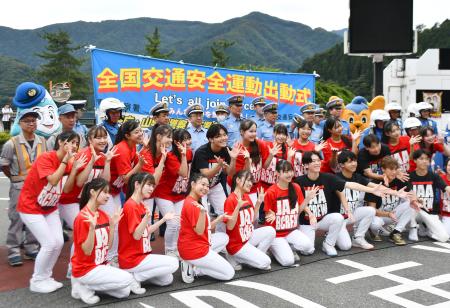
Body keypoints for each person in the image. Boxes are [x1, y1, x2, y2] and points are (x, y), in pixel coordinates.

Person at [17, 131, 79, 293]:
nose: (74, 146)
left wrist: (73, 168)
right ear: (61, 142)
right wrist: (66, 162)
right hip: (30, 207)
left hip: (50, 207)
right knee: (49, 243)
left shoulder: (70, 162)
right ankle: (37, 280)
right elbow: (52, 179)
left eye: (76, 143)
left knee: (58, 242)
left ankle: (46, 276)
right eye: (71, 142)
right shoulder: (46, 158)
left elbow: (66, 188)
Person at [295, 151, 389, 256]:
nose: (317, 163)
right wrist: (309, 211)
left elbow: (350, 184)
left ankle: (328, 244)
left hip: (324, 219)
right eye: (313, 161)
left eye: (318, 160)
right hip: (308, 222)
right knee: (307, 251)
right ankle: (296, 241)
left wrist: (371, 190)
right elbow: (299, 203)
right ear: (306, 165)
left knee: (339, 223)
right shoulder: (299, 181)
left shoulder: (328, 178)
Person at [71, 178, 135, 305]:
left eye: (109, 192)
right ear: (93, 192)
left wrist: (112, 226)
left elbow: (108, 247)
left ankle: (89, 286)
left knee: (124, 292)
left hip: (100, 266)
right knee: (128, 278)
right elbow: (87, 251)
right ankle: (82, 284)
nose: (108, 195)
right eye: (105, 192)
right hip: (86, 269)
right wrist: (91, 229)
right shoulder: (82, 217)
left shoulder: (103, 215)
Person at [118, 173, 179, 293]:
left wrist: (164, 219)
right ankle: (133, 277)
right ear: (137, 185)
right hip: (132, 258)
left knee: (167, 279)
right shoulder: (130, 205)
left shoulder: (140, 204)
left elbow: (146, 231)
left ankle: (136, 276)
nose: (152, 188)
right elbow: (136, 235)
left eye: (153, 185)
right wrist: (146, 218)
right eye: (149, 185)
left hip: (142, 256)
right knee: (173, 263)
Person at [0, 109, 46, 266]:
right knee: (16, 219)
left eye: (34, 120)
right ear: (19, 123)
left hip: (37, 187)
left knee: (35, 218)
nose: (32, 123)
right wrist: (14, 178)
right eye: (27, 121)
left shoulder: (42, 141)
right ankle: (13, 250)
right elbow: (4, 165)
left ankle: (31, 248)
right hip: (19, 186)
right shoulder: (11, 143)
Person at [178, 173, 234, 284]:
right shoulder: (192, 204)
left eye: (207, 186)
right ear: (193, 184)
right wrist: (203, 213)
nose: (205, 188)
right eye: (202, 184)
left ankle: (192, 262)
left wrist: (219, 219)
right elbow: (199, 231)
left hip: (196, 245)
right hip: (195, 250)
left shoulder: (193, 201)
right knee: (229, 273)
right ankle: (195, 270)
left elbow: (205, 228)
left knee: (224, 237)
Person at [265, 160, 318, 266]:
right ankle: (273, 248)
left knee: (308, 246)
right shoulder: (271, 192)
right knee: (288, 262)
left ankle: (287, 247)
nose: (289, 174)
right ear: (277, 173)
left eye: (290, 171)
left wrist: (307, 199)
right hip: (276, 234)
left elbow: (298, 211)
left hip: (291, 231)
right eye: (285, 171)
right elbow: (267, 216)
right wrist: (273, 215)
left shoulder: (295, 187)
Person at [106, 120, 145, 262]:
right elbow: (127, 178)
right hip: (105, 192)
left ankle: (114, 255)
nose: (140, 133)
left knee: (117, 223)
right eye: (137, 132)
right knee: (113, 224)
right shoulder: (122, 149)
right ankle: (110, 258)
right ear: (127, 135)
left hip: (114, 190)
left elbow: (136, 166)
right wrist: (140, 164)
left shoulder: (133, 146)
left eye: (141, 130)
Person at [152, 128, 191, 257]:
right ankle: (169, 249)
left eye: (189, 139)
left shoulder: (190, 152)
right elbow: (184, 173)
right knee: (173, 223)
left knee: (179, 223)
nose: (188, 142)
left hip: (180, 194)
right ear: (176, 142)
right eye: (184, 140)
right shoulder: (171, 156)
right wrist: (184, 155)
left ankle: (175, 247)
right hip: (164, 194)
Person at [225, 170, 274, 270]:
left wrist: (259, 202)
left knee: (271, 231)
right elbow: (229, 227)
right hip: (237, 245)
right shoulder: (230, 200)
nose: (250, 183)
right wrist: (237, 207)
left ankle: (251, 257)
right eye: (247, 180)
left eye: (251, 181)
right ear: (238, 180)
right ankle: (236, 256)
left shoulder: (246, 196)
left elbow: (252, 220)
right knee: (266, 262)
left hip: (247, 237)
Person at [191, 124, 239, 227]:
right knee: (203, 216)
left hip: (215, 184)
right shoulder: (201, 152)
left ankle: (221, 237)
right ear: (211, 139)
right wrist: (219, 166)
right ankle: (203, 241)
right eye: (218, 136)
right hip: (199, 186)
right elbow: (205, 175)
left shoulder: (227, 150)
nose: (223, 138)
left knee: (224, 213)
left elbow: (230, 173)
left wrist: (234, 159)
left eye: (225, 135)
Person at [366, 156, 415, 245]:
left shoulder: (399, 180)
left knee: (411, 204)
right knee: (375, 225)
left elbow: (411, 194)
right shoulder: (375, 183)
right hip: (380, 216)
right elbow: (372, 210)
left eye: (396, 169)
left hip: (393, 214)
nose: (394, 172)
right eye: (391, 169)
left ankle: (395, 232)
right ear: (383, 169)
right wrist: (387, 214)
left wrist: (416, 200)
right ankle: (372, 230)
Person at [336, 150, 378, 250]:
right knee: (345, 246)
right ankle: (330, 233)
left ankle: (358, 238)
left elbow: (376, 187)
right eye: (350, 162)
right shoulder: (336, 178)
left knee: (370, 210)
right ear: (342, 165)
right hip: (338, 218)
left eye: (355, 161)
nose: (354, 163)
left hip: (352, 215)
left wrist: (397, 193)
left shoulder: (358, 177)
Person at [408, 149, 450, 242]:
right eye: (421, 158)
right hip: (415, 211)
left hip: (430, 212)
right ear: (415, 160)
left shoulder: (434, 176)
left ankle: (426, 229)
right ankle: (413, 228)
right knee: (410, 203)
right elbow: (407, 193)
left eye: (427, 159)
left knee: (444, 237)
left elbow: (446, 187)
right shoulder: (410, 176)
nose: (424, 161)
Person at [228, 119, 271, 205]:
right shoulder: (237, 149)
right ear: (242, 132)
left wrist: (271, 155)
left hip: (253, 187)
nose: (254, 134)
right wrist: (247, 161)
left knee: (254, 215)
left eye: (255, 131)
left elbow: (265, 167)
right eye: (251, 131)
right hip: (239, 187)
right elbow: (239, 176)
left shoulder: (260, 144)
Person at [439, 158, 450, 236]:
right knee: (445, 235)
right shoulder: (440, 178)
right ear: (446, 166)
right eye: (449, 165)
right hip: (446, 214)